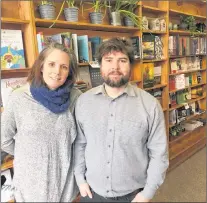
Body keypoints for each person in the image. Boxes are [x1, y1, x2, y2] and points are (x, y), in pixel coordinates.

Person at [74, 38, 169, 202]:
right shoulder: (84, 102)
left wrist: (147, 194)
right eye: (108, 60)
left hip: (133, 196)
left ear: (130, 65)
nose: (115, 67)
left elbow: (159, 153)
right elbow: (80, 144)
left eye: (122, 60)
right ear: (100, 65)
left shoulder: (150, 105)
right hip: (91, 193)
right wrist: (80, 179)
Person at [1, 42, 82, 202]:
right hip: (30, 184)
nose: (57, 71)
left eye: (64, 67)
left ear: (69, 73)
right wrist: (30, 156)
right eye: (52, 64)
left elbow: (80, 140)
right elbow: (4, 138)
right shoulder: (19, 97)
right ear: (42, 66)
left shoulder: (75, 98)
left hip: (65, 183)